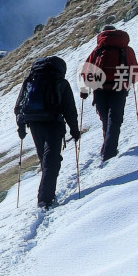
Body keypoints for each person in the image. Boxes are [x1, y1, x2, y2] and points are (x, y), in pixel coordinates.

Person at [15, 56, 80, 210]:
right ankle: (45, 199)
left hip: (34, 124)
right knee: (52, 161)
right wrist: (74, 129)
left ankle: (46, 195)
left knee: (45, 160)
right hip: (53, 123)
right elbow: (69, 109)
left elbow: (19, 105)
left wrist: (21, 126)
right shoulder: (60, 83)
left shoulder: (30, 81)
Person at [81, 25, 138, 163]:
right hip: (120, 87)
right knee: (115, 120)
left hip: (100, 88)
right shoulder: (126, 49)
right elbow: (135, 71)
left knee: (105, 120)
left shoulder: (98, 49)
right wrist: (132, 81)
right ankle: (109, 152)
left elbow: (87, 70)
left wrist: (86, 89)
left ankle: (107, 148)